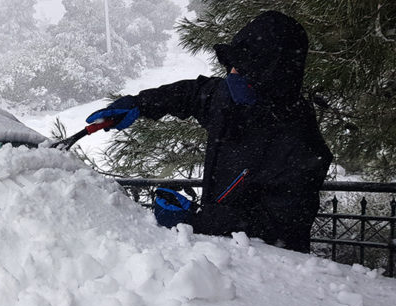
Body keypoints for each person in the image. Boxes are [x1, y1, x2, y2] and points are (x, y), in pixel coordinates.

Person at [87, 11, 332, 253]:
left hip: (270, 272)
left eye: (244, 68)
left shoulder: (302, 146)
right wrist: (140, 104)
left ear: (273, 77)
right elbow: (190, 94)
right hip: (217, 255)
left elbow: (279, 229)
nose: (233, 74)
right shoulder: (230, 100)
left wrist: (197, 218)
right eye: (234, 64)